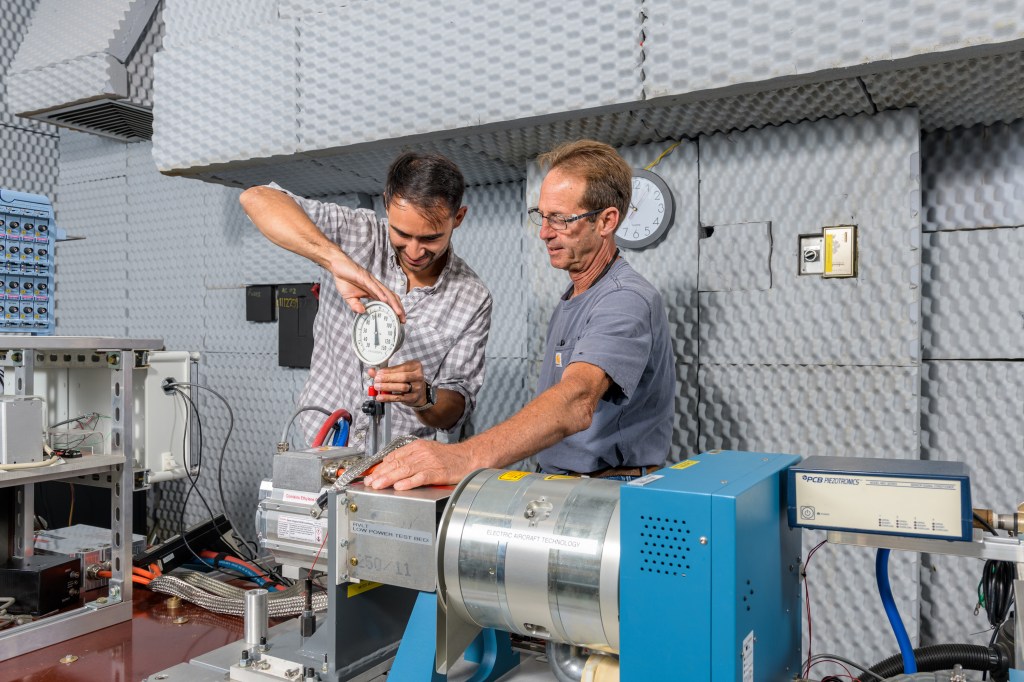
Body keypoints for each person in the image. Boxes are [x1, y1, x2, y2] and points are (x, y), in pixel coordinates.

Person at [365, 139, 674, 490]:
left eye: (560, 219)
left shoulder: (625, 299)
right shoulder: (574, 297)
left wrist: (464, 457)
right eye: (541, 217)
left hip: (605, 491)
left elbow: (576, 401)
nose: (544, 232)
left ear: (606, 221)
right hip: (562, 483)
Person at [240, 152, 493, 449]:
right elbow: (256, 198)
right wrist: (335, 261)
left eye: (430, 238)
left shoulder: (472, 297)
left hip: (398, 465)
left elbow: (457, 408)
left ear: (458, 218)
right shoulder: (357, 235)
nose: (414, 250)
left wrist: (425, 397)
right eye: (402, 233)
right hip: (322, 448)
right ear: (387, 204)